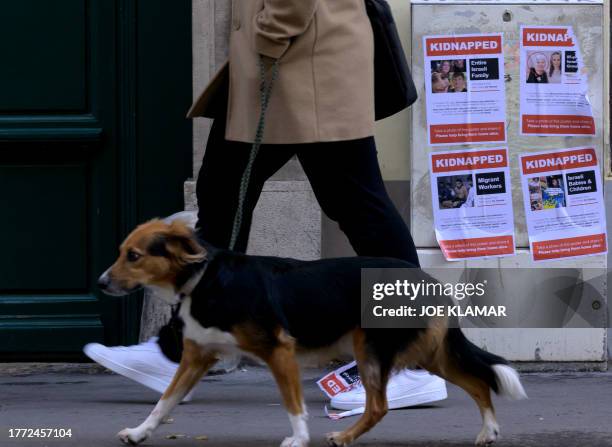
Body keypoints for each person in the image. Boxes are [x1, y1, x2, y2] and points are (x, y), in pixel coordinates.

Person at [85, 0, 446, 411]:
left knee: (358, 206)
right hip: (289, 64)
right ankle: (181, 348)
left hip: (302, 62)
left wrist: (269, 36)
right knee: (225, 192)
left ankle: (409, 362)